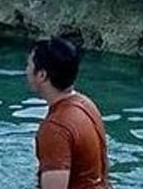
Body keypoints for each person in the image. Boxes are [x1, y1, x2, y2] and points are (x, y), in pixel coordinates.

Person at [26, 36, 111, 189]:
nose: (26, 71)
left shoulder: (55, 129)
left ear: (42, 75)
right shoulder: (86, 104)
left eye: (29, 65)